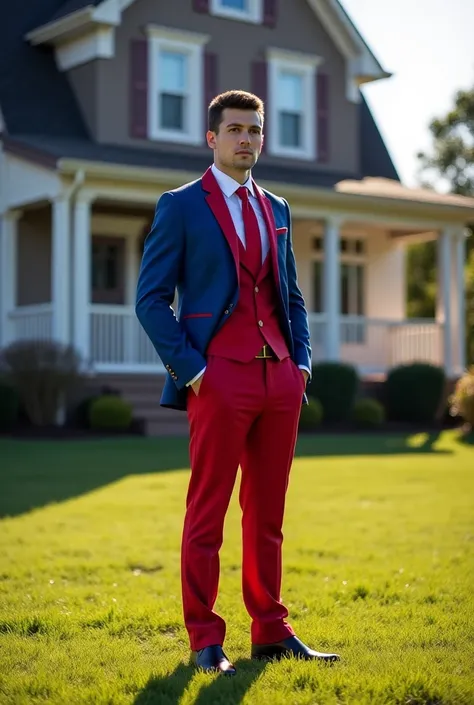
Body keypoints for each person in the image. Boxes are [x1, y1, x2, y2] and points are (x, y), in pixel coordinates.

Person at [135, 90, 340, 676]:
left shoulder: (278, 207)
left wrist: (301, 363)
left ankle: (272, 631)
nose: (246, 139)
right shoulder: (180, 206)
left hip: (279, 378)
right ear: (211, 138)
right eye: (234, 129)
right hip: (217, 377)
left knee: (267, 512)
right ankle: (205, 639)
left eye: (255, 129)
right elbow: (150, 300)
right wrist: (194, 370)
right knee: (208, 510)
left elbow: (291, 296)